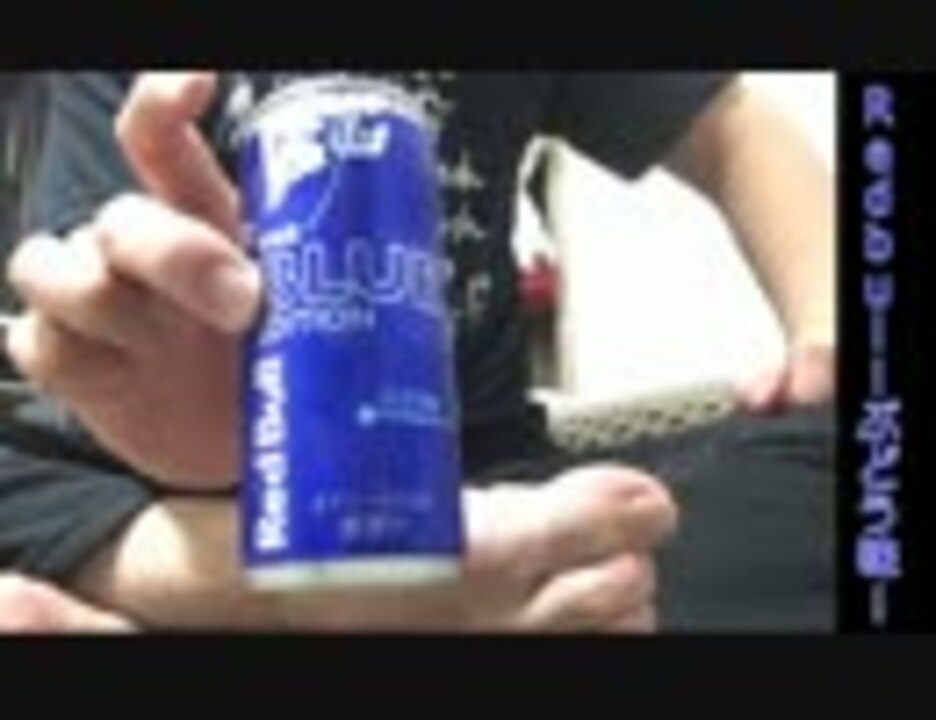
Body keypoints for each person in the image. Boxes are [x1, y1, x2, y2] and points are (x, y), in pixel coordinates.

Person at [0, 71, 835, 632]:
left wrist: (826, 322)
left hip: (492, 484)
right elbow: (90, 317)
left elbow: (733, 125)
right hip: (166, 511)